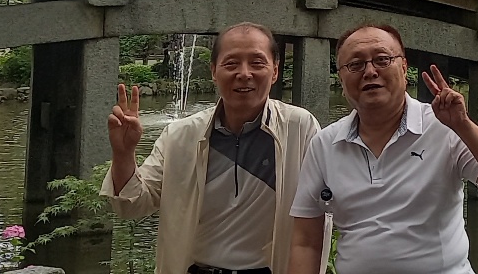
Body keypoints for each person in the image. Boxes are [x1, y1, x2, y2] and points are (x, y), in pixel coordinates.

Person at [286, 24, 478, 274]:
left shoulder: (443, 127)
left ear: (403, 67)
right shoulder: (325, 144)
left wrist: (463, 125)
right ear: (341, 78)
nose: (370, 71)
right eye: (355, 64)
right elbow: (306, 242)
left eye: (382, 60)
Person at [104, 22, 322, 274]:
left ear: (274, 70)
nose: (244, 73)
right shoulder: (180, 136)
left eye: (257, 63)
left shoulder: (299, 128)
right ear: (213, 71)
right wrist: (123, 154)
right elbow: (132, 205)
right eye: (231, 63)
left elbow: (323, 209)